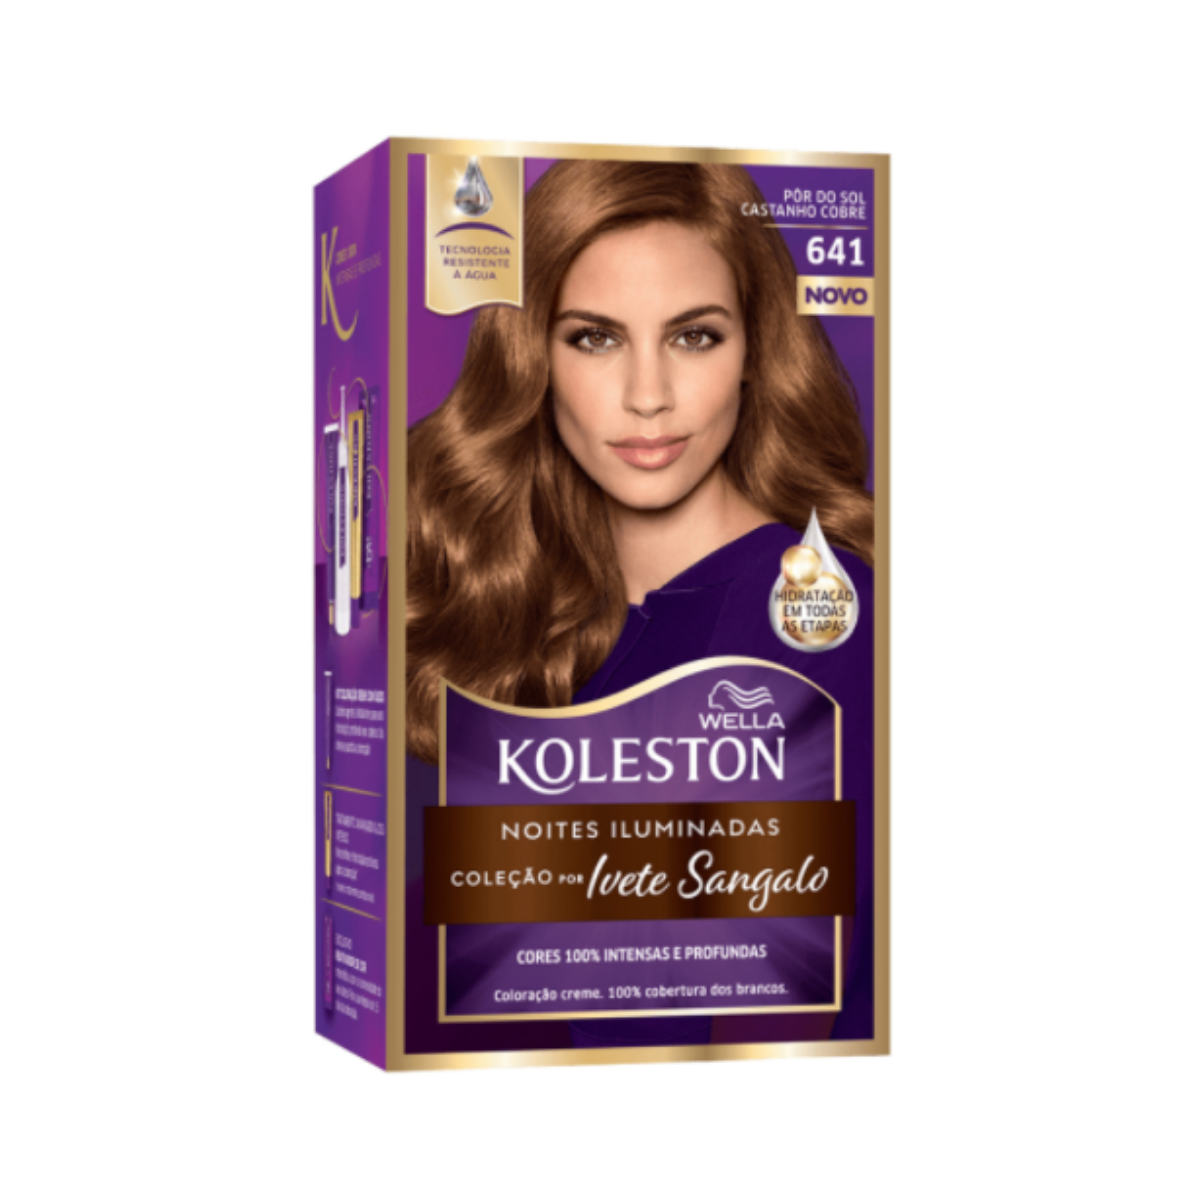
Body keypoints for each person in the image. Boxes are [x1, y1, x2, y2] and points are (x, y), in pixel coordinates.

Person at [406, 160, 874, 763]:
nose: (648, 397)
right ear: (532, 358)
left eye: (694, 337)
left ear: (754, 351)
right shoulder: (483, 592)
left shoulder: (827, 619)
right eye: (596, 339)